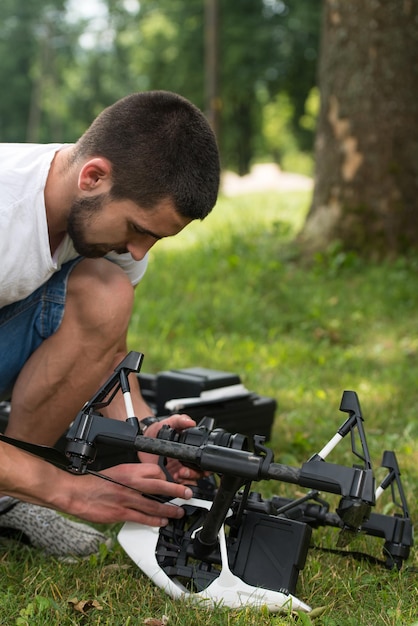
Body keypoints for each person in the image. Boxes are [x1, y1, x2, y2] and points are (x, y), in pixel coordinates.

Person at [0, 90, 220, 557]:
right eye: (138, 229)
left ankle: (10, 496)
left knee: (106, 292)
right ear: (93, 176)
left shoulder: (108, 232)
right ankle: (27, 483)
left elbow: (107, 353)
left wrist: (144, 434)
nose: (139, 252)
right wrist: (66, 487)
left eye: (154, 239)